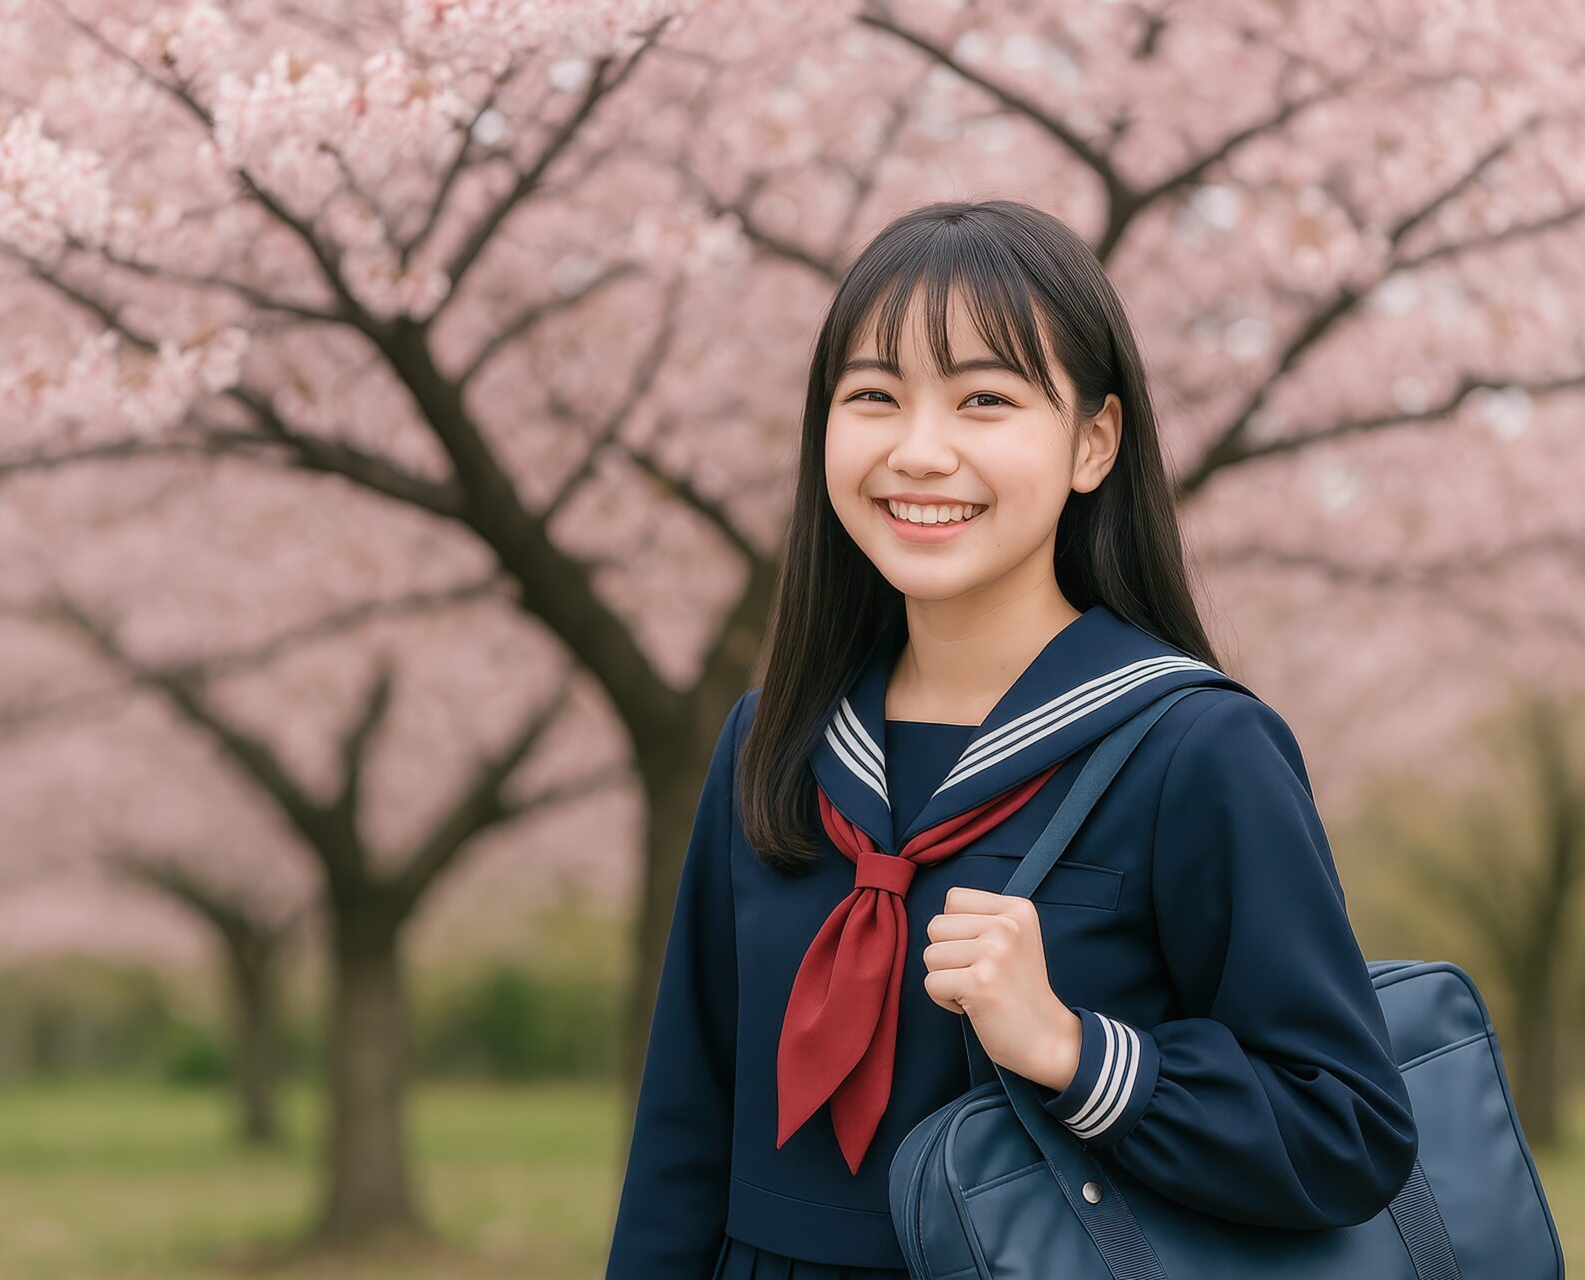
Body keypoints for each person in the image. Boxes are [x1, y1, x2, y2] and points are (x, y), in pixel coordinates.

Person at [603, 199, 1418, 1278]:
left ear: (1093, 442)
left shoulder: (1194, 749)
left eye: (985, 398)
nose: (920, 451)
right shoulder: (773, 747)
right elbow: (683, 1135)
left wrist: (1075, 1051)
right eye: (874, 398)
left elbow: (1346, 1127)